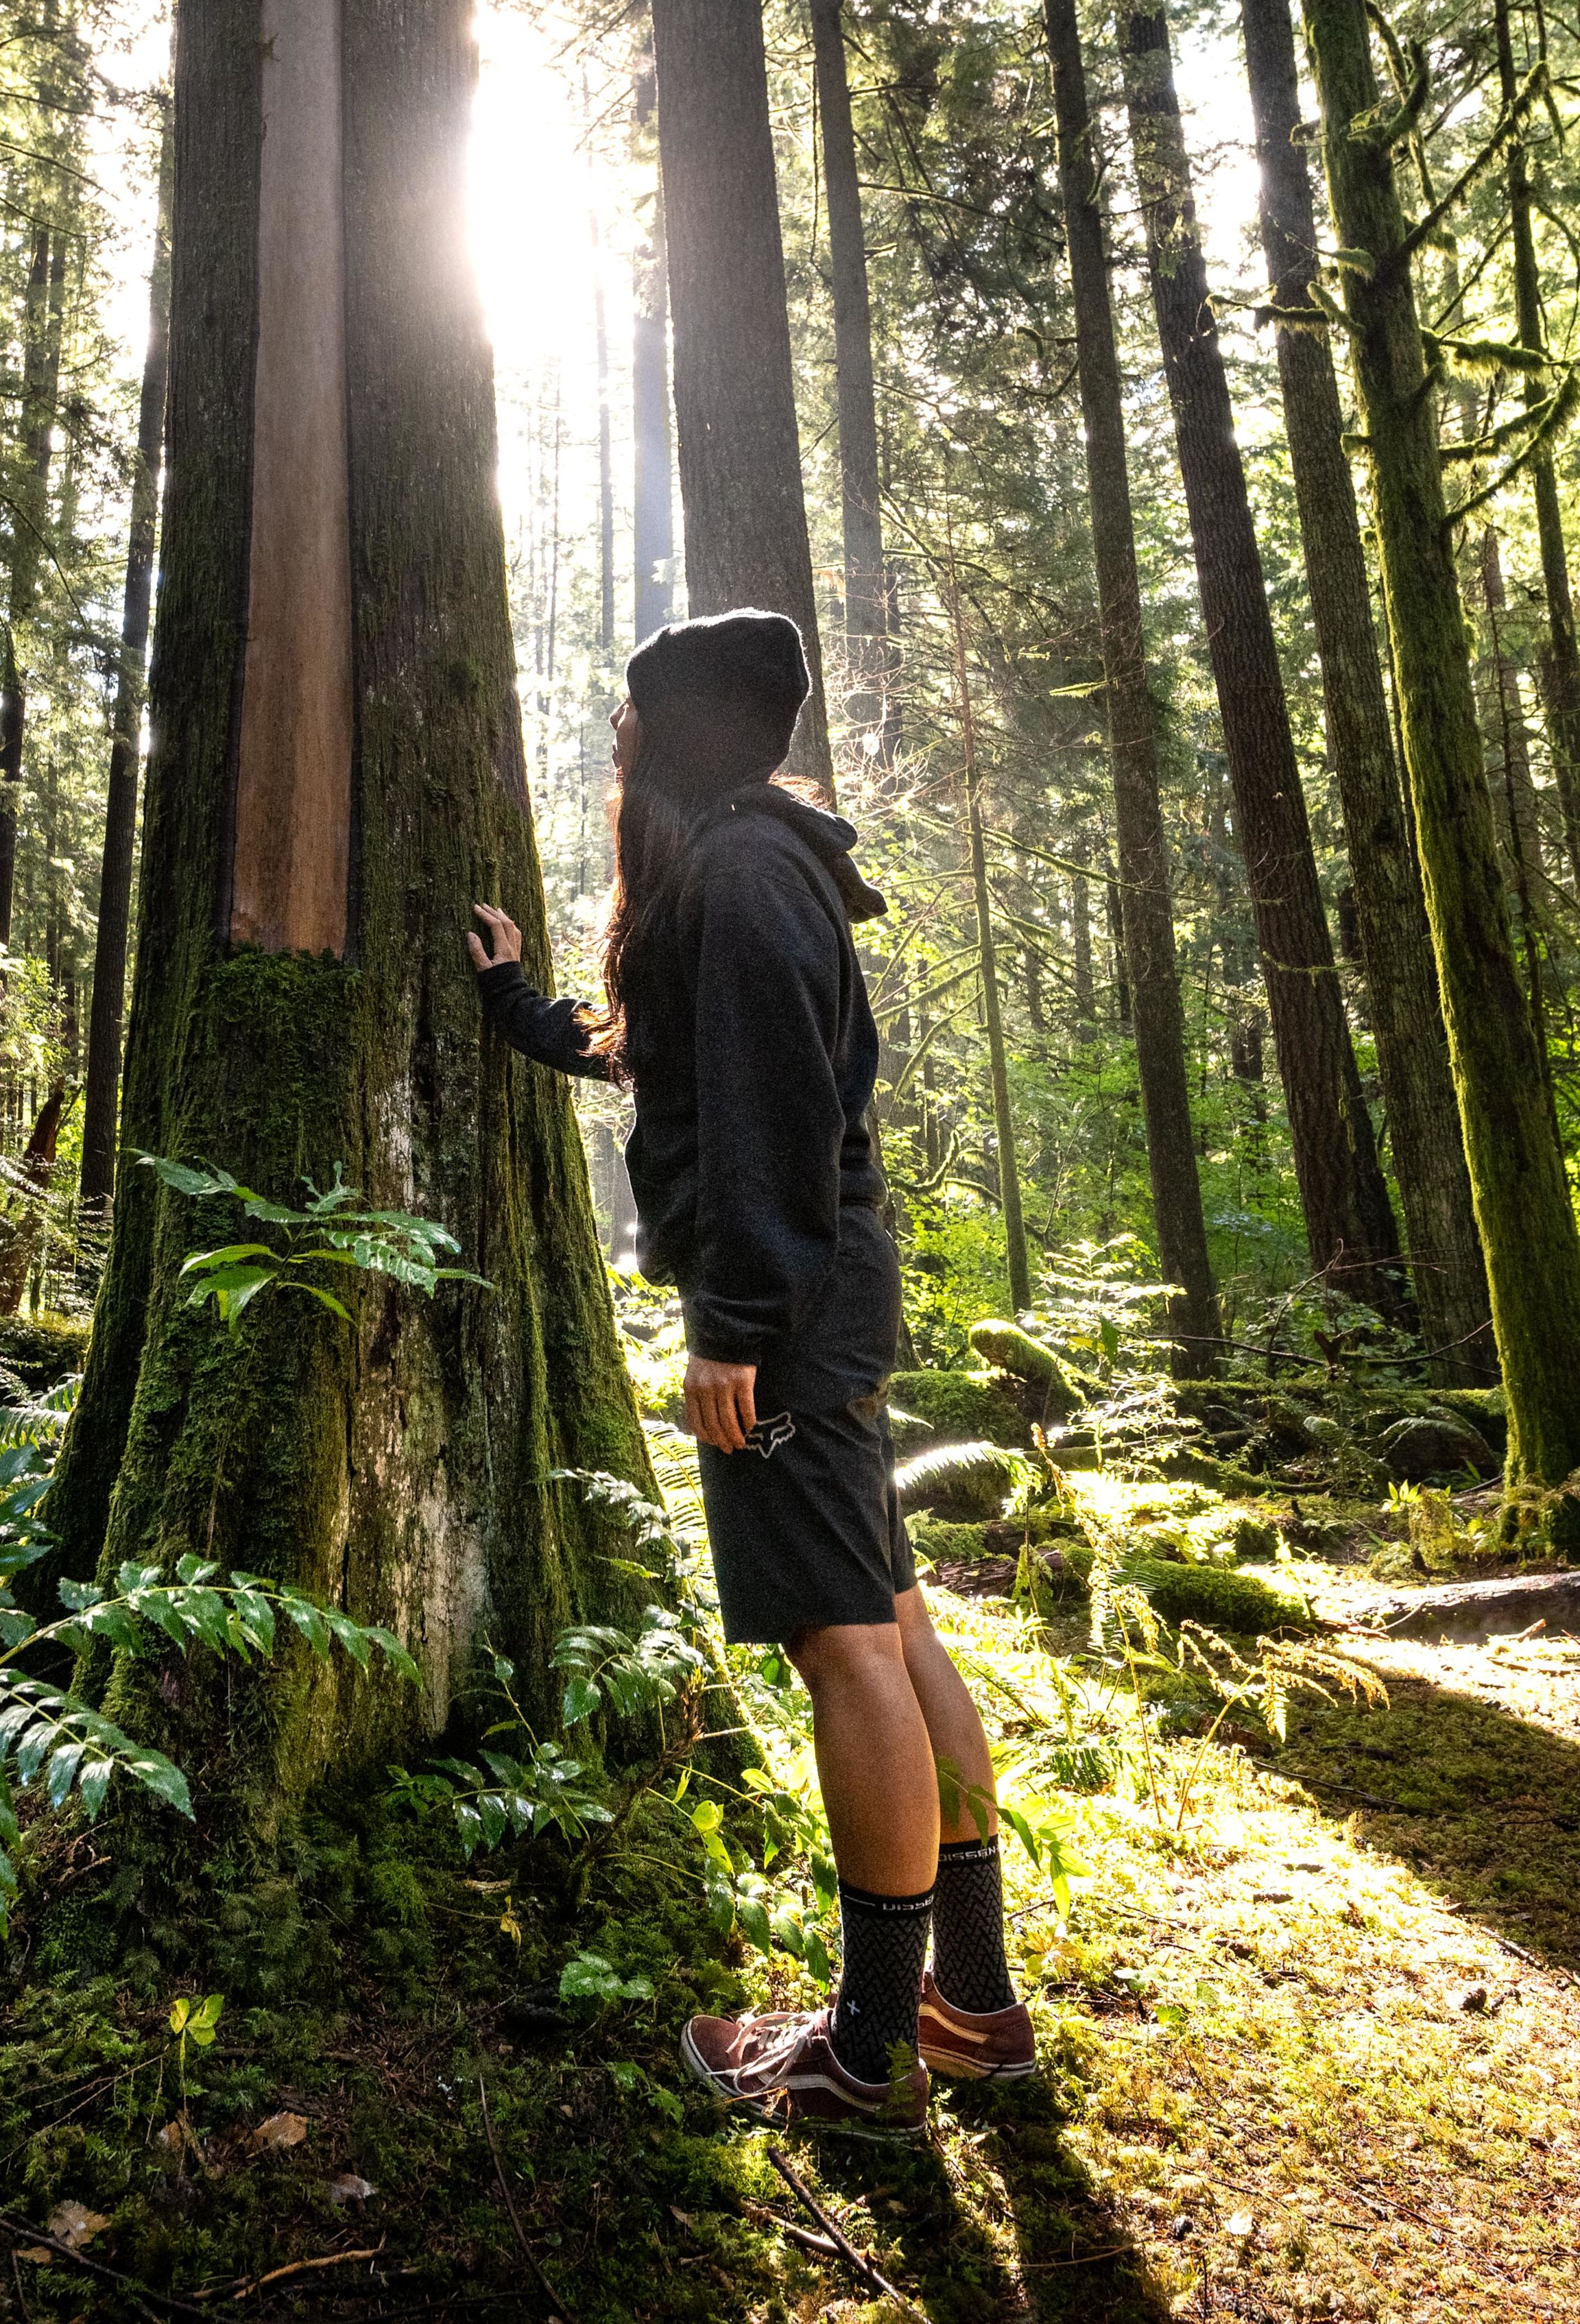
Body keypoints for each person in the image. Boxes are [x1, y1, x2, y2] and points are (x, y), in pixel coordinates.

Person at [466, 608, 1033, 2128]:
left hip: (788, 1319)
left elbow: (775, 1115)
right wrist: (521, 1004)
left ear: (687, 733)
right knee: (897, 1629)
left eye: (634, 717)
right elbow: (680, 1057)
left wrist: (734, 1324)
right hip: (822, 1306)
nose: (615, 742)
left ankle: (865, 2052)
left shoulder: (739, 875)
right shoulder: (744, 867)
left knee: (845, 1647)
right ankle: (968, 2001)